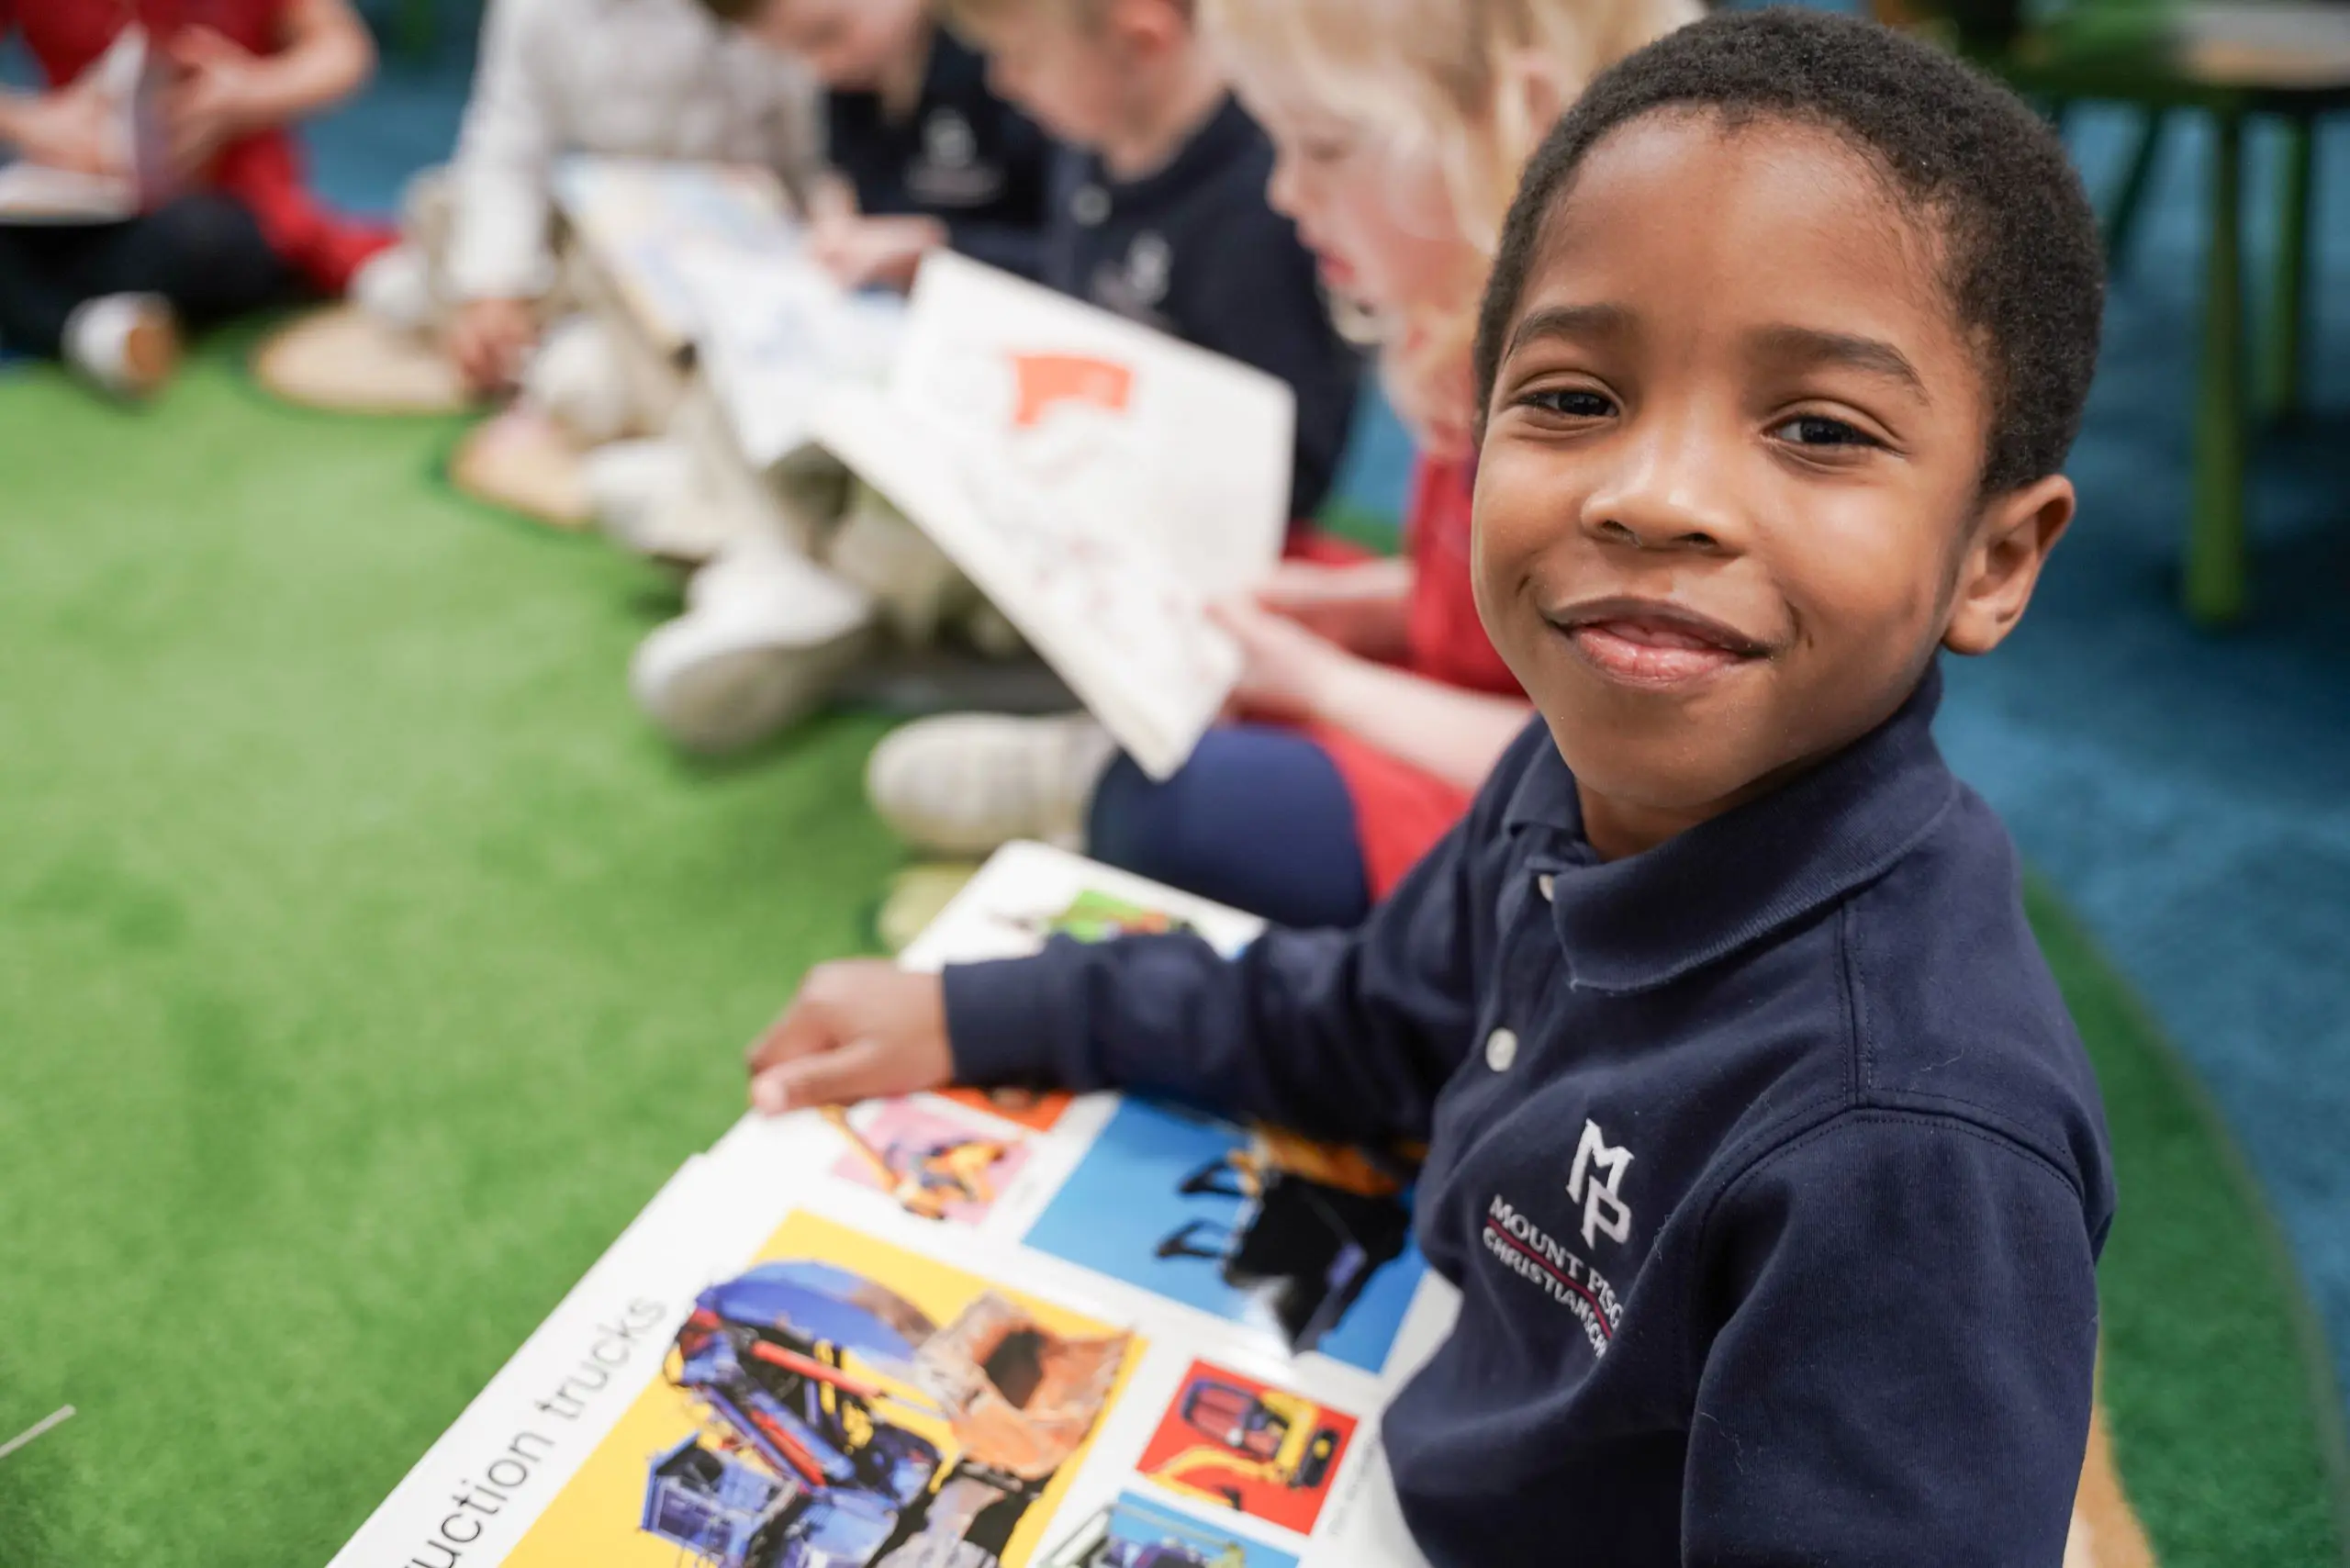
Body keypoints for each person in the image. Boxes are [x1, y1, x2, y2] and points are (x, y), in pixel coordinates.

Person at [743, 11, 2116, 1564]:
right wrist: (981, 1013)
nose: (1651, 494)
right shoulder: (1566, 776)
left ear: (1995, 558)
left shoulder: (1910, 1148)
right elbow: (1362, 1022)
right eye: (1575, 398)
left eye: (1816, 429)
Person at [867, 0, 1691, 928]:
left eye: (1325, 148)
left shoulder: (1611, 419)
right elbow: (1489, 603)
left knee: (1186, 804)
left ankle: (1090, 784)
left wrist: (1326, 684)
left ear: (1522, 128)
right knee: (1260, 617)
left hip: (1550, 806)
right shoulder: (1462, 336)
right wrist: (1357, 607)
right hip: (1450, 702)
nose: (1284, 192)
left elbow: (1603, 763)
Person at [352, 0, 820, 400]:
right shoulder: (538, 10)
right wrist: (493, 290)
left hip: (722, 241)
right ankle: (507, 320)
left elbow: (811, 148)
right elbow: (508, 143)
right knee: (416, 250)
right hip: (593, 216)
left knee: (578, 385)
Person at [0, 0, 386, 398]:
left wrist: (250, 93)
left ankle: (60, 318)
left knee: (206, 239)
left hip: (220, 211)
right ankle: (91, 327)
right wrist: (32, 124)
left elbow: (344, 49)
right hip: (78, 204)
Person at [698, 0, 1055, 289]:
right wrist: (835, 207)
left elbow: (1071, 259)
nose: (820, 67)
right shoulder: (854, 81)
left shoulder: (1007, 73)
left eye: (828, 34)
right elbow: (841, 173)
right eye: (793, 53)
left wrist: (938, 249)